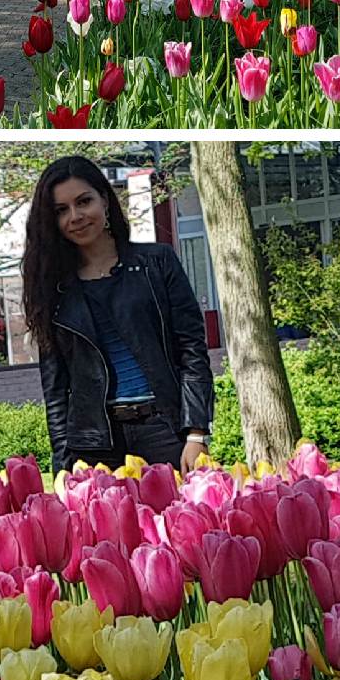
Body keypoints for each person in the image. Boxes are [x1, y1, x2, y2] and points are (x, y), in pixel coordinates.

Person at [22, 155, 214, 475]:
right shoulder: (53, 288)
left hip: (163, 429)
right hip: (94, 443)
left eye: (84, 201)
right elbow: (55, 390)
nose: (76, 216)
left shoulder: (157, 263)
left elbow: (192, 352)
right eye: (61, 210)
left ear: (105, 200)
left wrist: (196, 432)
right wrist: (62, 464)